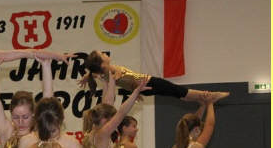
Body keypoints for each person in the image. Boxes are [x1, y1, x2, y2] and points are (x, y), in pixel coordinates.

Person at [80, 50, 229, 103]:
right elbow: (121, 78)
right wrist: (133, 88)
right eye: (102, 54)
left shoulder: (102, 73)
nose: (105, 53)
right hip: (148, 82)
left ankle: (202, 98)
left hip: (144, 86)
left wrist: (88, 76)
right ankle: (209, 95)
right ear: (102, 63)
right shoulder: (110, 73)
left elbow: (95, 72)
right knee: (178, 91)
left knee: (177, 94)